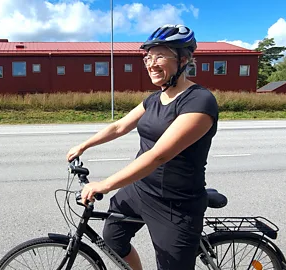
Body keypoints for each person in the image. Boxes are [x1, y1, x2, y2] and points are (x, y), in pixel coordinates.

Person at [66, 24, 219, 270]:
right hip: (141, 190)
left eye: (160, 55)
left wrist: (104, 184)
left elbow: (159, 155)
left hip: (175, 203)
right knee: (113, 238)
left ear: (184, 59)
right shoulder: (154, 98)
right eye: (148, 57)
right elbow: (120, 127)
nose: (151, 63)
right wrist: (83, 145)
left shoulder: (199, 101)